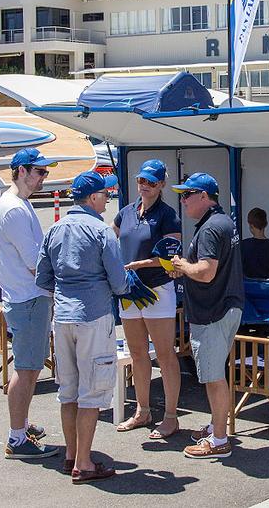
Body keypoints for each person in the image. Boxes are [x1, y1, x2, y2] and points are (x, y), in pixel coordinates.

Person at [35, 170, 129, 484]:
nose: (108, 198)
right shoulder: (102, 232)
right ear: (92, 198)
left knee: (68, 391)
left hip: (62, 317)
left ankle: (72, 455)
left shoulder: (56, 228)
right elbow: (119, 283)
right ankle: (85, 464)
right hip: (93, 314)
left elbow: (42, 278)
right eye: (105, 194)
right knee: (93, 391)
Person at [169, 172, 243, 459]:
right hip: (222, 308)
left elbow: (206, 271)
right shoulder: (222, 221)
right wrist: (187, 266)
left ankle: (220, 440)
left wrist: (181, 265)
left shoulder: (211, 228)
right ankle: (216, 426)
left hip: (213, 312)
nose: (183, 200)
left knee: (213, 377)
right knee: (215, 374)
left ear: (204, 197)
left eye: (187, 195)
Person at [0, 147, 58, 460]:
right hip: (28, 298)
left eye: (44, 172)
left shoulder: (17, 204)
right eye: (39, 171)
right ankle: (17, 438)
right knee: (27, 368)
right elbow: (35, 261)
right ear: (21, 171)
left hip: (26, 297)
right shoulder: (15, 209)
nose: (43, 176)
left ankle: (22, 427)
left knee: (29, 367)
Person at [112, 159, 183, 438]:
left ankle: (170, 416)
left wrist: (139, 265)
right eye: (142, 180)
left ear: (162, 184)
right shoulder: (126, 212)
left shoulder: (168, 215)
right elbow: (111, 243)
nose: (145, 186)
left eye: (152, 182)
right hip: (129, 291)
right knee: (138, 353)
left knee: (165, 355)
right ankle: (142, 411)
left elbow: (172, 259)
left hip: (157, 290)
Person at [240, 207, 269, 280]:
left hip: (248, 285)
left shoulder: (244, 245)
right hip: (267, 286)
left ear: (251, 225)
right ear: (265, 224)